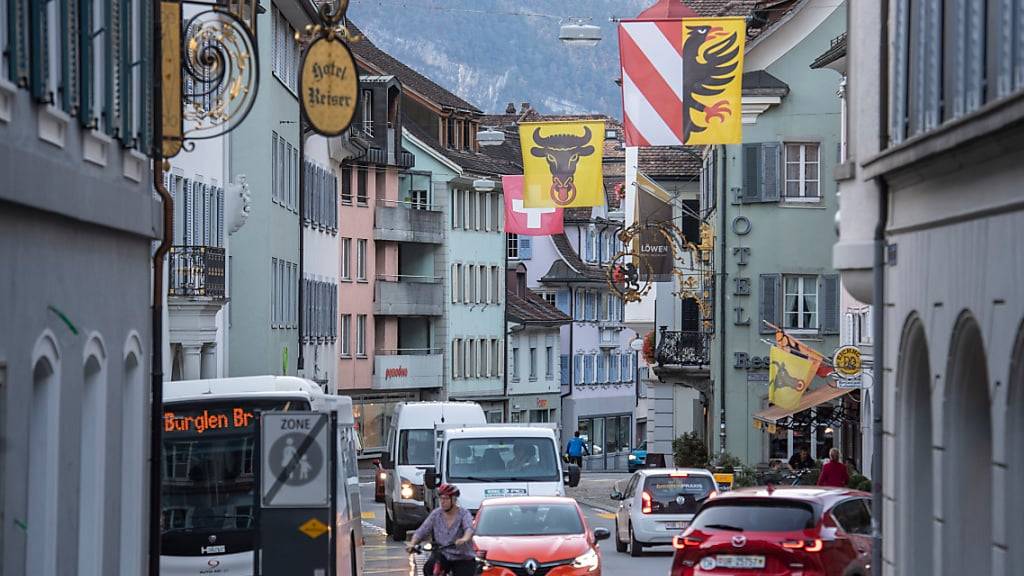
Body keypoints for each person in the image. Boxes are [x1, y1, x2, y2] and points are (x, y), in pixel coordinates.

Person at [407, 484, 476, 576]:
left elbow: (469, 529)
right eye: (441, 499)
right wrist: (413, 543)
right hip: (443, 554)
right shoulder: (436, 514)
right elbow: (422, 531)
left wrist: (464, 539)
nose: (443, 502)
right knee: (428, 568)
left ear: (454, 499)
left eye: (446, 499)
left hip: (462, 557)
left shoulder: (464, 514)